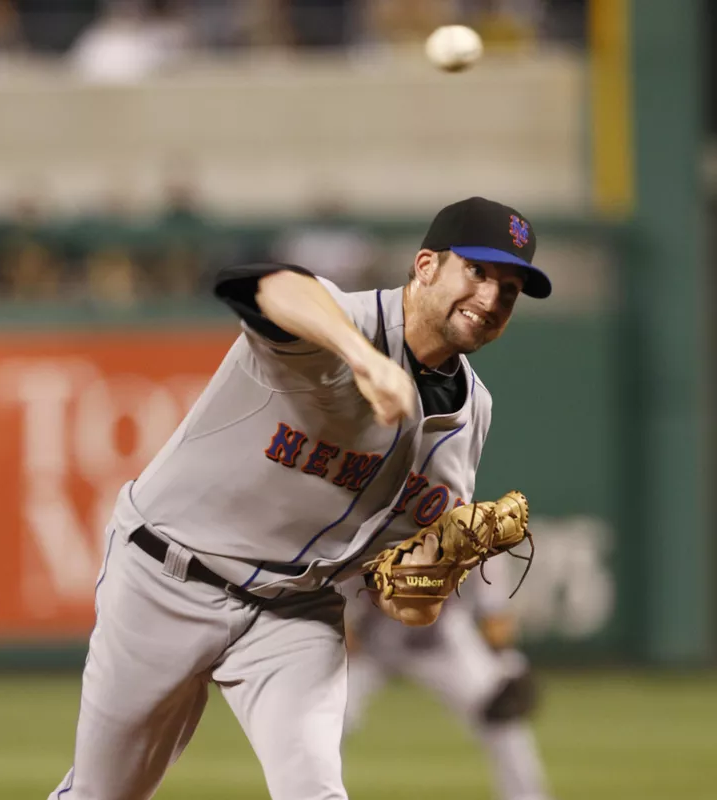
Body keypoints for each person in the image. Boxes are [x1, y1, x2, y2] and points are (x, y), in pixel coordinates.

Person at [49, 195, 552, 800]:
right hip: (167, 577)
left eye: (510, 288)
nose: (492, 298)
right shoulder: (340, 321)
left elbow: (400, 584)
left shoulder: (473, 412)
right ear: (425, 266)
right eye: (478, 271)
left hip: (295, 611)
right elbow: (264, 286)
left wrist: (431, 577)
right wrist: (364, 360)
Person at [343, 558, 555, 800]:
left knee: (500, 711)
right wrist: (342, 621)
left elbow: (489, 571)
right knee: (326, 716)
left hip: (440, 638)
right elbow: (334, 566)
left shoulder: (456, 521)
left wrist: (506, 659)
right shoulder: (364, 522)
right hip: (371, 639)